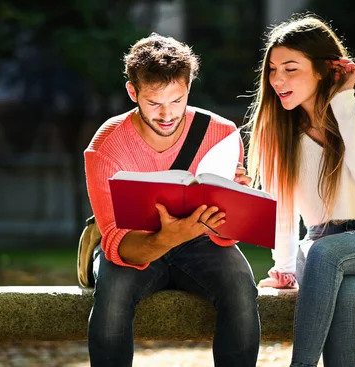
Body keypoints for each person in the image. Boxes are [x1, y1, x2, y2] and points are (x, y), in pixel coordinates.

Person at [245, 14, 355, 367]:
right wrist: (284, 266)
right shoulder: (278, 125)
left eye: (290, 69)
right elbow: (283, 205)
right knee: (346, 290)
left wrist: (343, 102)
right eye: (273, 69)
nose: (277, 79)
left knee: (326, 254)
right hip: (322, 244)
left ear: (324, 69)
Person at [83, 33, 260, 367]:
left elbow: (228, 237)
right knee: (113, 296)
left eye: (176, 100)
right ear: (132, 92)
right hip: (137, 244)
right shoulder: (107, 145)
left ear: (188, 88)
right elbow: (116, 242)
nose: (167, 114)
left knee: (240, 282)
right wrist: (165, 238)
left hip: (200, 242)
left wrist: (238, 203)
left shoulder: (220, 133)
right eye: (153, 103)